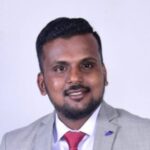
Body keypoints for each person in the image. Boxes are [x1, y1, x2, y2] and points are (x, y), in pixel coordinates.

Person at [0, 17, 150, 150]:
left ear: (104, 74)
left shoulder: (146, 136)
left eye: (87, 65)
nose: (75, 77)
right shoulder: (13, 144)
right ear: (42, 84)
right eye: (60, 68)